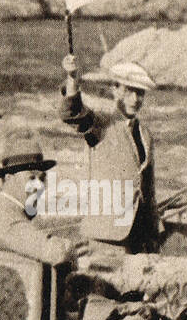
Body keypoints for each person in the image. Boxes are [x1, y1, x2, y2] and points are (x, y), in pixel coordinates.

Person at [59, 56, 159, 253]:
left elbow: (149, 188)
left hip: (139, 233)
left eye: (140, 93)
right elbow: (72, 113)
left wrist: (154, 231)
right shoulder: (102, 123)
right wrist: (71, 79)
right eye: (129, 91)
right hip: (107, 234)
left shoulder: (145, 133)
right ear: (114, 90)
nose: (135, 99)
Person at [0, 144, 90, 266]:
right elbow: (56, 252)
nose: (39, 186)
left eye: (42, 179)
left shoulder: (0, 209)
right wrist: (71, 248)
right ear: (9, 179)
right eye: (31, 178)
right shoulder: (6, 217)